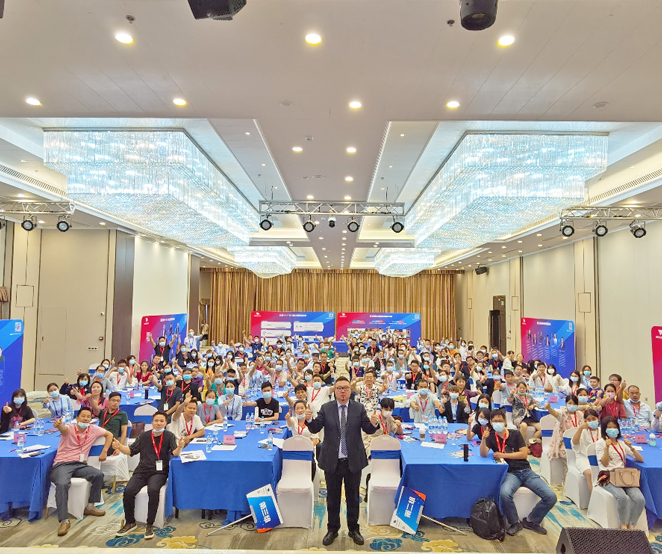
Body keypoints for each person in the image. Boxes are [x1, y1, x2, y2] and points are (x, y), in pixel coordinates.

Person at [305, 376, 380, 546]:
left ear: (350, 390)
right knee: (333, 498)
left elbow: (368, 429)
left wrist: (374, 423)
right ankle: (332, 529)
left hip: (353, 460)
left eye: (346, 388)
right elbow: (316, 427)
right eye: (339, 388)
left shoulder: (358, 408)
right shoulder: (327, 408)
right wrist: (309, 419)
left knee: (353, 498)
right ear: (335, 390)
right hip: (333, 460)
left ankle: (354, 529)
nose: (343, 391)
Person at [480, 409, 556, 535]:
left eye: (500, 420)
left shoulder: (515, 434)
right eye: (495, 421)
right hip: (510, 473)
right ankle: (515, 522)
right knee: (504, 493)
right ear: (491, 422)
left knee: (551, 496)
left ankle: (532, 521)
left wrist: (503, 455)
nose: (498, 423)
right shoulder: (491, 437)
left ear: (505, 421)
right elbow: (483, 453)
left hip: (526, 471)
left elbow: (524, 454)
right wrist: (483, 439)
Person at [114, 412, 185, 539]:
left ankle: (150, 524)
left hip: (159, 472)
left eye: (161, 421)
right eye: (156, 420)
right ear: (152, 422)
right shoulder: (144, 436)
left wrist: (180, 447)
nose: (159, 423)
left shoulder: (169, 436)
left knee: (153, 490)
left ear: (166, 423)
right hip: (142, 470)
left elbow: (175, 453)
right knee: (128, 490)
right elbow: (130, 451)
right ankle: (130, 522)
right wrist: (120, 447)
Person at [50, 407, 113, 536]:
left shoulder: (94, 429)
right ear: (77, 418)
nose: (85, 419)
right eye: (83, 416)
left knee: (98, 475)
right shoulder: (70, 428)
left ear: (91, 419)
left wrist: (105, 451)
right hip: (63, 464)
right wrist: (59, 425)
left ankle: (90, 506)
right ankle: (64, 520)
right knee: (62, 484)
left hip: (80, 464)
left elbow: (109, 434)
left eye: (88, 417)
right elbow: (63, 429)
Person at [595, 416, 645, 530]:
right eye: (609, 428)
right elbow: (605, 464)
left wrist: (631, 447)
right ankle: (623, 525)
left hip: (622, 476)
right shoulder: (600, 443)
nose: (613, 430)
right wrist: (607, 448)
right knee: (622, 497)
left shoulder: (622, 444)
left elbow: (640, 459)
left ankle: (632, 524)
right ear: (604, 429)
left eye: (615, 427)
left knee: (640, 499)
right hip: (607, 476)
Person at [544, 394, 583, 478]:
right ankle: (566, 478)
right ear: (566, 404)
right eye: (570, 403)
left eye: (574, 404)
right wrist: (549, 408)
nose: (572, 405)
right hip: (565, 443)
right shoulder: (562, 414)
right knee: (568, 456)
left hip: (578, 441)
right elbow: (555, 413)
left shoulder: (580, 414)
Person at [571, 409, 601, 493]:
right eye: (588, 420)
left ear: (598, 419)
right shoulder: (582, 431)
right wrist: (580, 428)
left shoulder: (601, 431)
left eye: (593, 419)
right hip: (584, 458)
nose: (591, 421)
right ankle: (594, 497)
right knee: (590, 473)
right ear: (585, 421)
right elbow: (575, 443)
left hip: (598, 458)